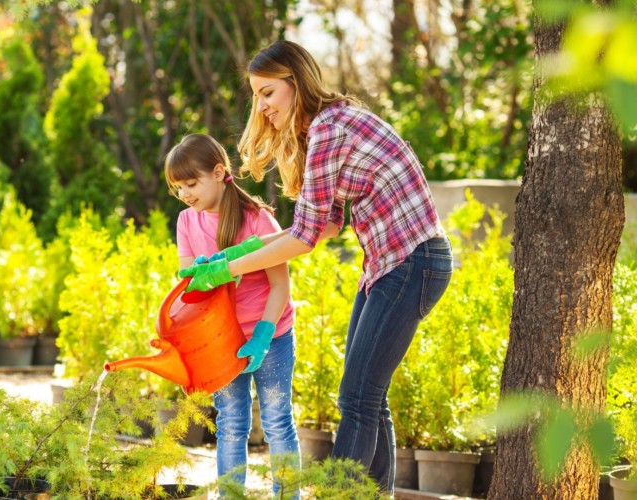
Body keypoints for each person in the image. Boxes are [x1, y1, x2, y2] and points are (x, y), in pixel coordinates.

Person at [178, 40, 453, 492]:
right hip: (387, 265)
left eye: (268, 93)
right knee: (370, 397)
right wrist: (233, 255)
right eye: (256, 95)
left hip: (413, 262)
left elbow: (303, 239)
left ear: (295, 81)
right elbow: (324, 225)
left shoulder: (329, 127)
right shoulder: (326, 126)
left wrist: (230, 269)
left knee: (357, 397)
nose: (261, 106)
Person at [164, 133, 301, 497]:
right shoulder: (186, 222)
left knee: (276, 421)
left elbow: (280, 287)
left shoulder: (258, 219)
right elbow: (190, 290)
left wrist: (263, 334)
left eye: (191, 183)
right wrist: (198, 275)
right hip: (222, 341)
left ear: (219, 172)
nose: (185, 194)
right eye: (178, 188)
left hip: (270, 335)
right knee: (230, 423)